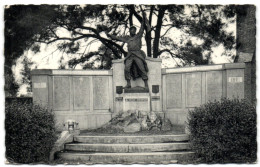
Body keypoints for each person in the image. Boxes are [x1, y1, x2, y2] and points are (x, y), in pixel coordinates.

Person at [106, 11, 151, 89]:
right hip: (130, 55)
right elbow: (118, 38)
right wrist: (110, 36)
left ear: (135, 31)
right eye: (131, 29)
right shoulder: (127, 38)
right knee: (126, 69)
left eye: (134, 29)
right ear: (129, 31)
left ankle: (146, 84)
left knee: (142, 68)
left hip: (137, 54)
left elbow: (142, 27)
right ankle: (128, 84)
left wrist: (144, 18)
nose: (132, 30)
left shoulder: (138, 36)